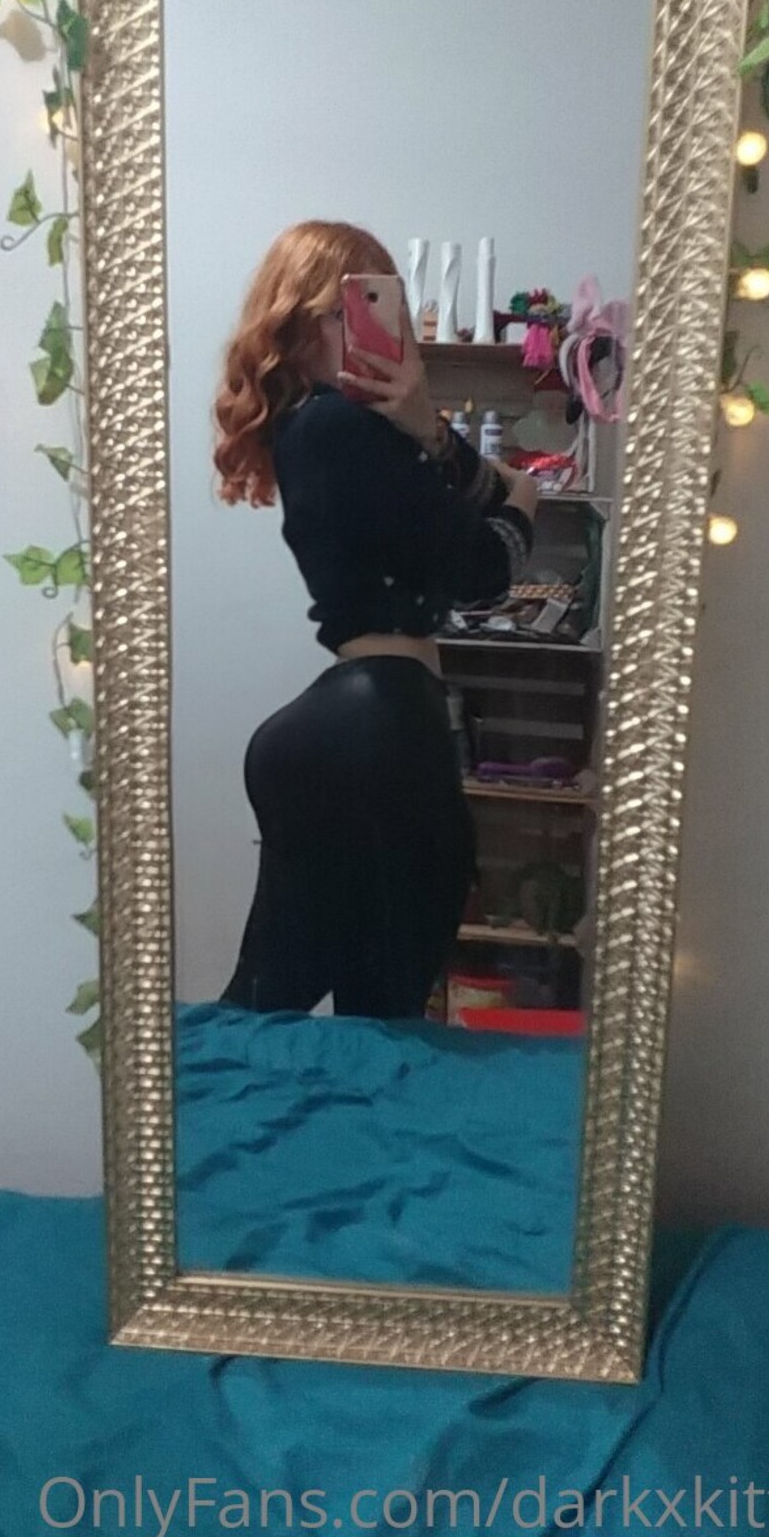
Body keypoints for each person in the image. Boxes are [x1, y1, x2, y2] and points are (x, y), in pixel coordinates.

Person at [213, 220, 539, 1019]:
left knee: (274, 1007)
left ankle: (191, 1093)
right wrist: (526, 510)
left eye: (386, 308)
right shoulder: (337, 427)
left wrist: (428, 425)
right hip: (381, 729)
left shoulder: (341, 433)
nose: (378, 332)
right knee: (378, 1016)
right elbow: (481, 569)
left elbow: (467, 500)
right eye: (351, 310)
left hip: (362, 721)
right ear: (300, 327)